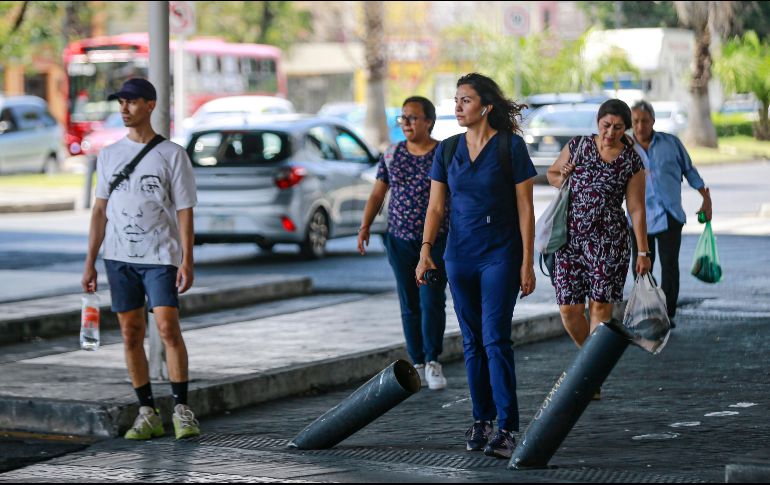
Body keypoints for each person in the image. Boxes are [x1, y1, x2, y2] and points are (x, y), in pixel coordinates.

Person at [415, 73, 537, 459]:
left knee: (495, 338)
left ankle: (507, 427)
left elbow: (526, 209)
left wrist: (527, 262)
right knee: (471, 342)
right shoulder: (448, 150)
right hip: (459, 255)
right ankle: (482, 420)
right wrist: (425, 250)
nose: (457, 107)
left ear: (485, 106)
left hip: (500, 254)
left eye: (465, 100)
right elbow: (436, 207)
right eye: (455, 100)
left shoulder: (510, 147)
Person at [81, 78, 200, 441]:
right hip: (118, 259)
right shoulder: (109, 155)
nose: (124, 108)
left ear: (150, 105)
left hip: (160, 257)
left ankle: (181, 408)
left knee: (167, 329)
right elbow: (99, 210)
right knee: (131, 333)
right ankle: (146, 411)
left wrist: (187, 260)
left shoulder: (172, 154)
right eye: (121, 102)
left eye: (131, 102)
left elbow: (185, 211)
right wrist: (90, 262)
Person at [547, 99, 651, 399]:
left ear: (625, 129)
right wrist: (563, 174)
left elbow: (637, 209)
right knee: (568, 308)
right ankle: (591, 366)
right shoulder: (578, 145)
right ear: (598, 122)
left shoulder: (631, 161)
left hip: (610, 242)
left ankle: (590, 378)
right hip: (570, 240)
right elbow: (553, 175)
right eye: (606, 125)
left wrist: (643, 252)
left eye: (618, 128)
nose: (610, 133)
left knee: (600, 309)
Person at [357, 96, 449, 390]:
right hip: (399, 240)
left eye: (413, 118)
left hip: (436, 242)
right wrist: (365, 225)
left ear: (429, 122)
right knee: (409, 302)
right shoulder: (393, 153)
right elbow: (377, 193)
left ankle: (433, 359)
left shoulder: (443, 154)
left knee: (432, 300)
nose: (406, 123)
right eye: (403, 118)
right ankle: (418, 362)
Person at [630, 100, 712, 325]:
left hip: (669, 215)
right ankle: (652, 307)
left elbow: (689, 170)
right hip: (639, 218)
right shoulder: (625, 147)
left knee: (670, 267)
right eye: (635, 121)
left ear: (653, 121)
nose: (640, 126)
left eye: (644, 121)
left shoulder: (671, 143)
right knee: (640, 267)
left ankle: (667, 313)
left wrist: (705, 198)